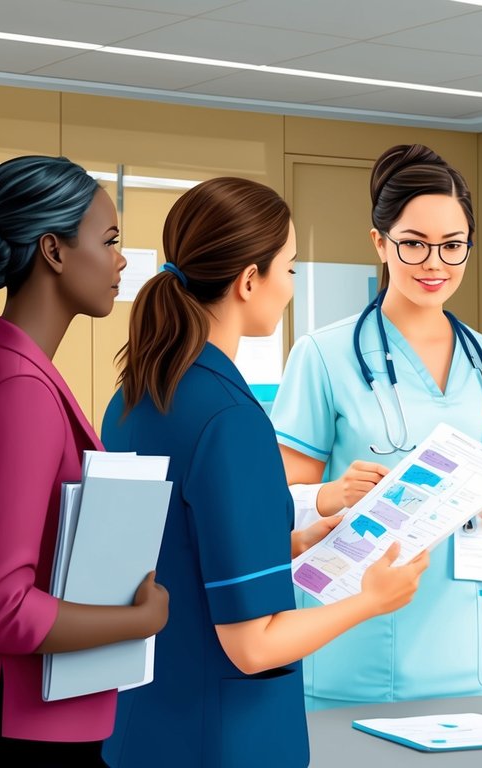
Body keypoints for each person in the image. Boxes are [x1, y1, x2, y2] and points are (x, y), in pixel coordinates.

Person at [100, 177, 428, 767]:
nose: (291, 287)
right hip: (224, 740)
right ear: (250, 280)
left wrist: (291, 544)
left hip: (142, 730)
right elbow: (252, 647)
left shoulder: (134, 398)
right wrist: (371, 600)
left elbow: (179, 551)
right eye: (290, 268)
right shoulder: (230, 418)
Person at [271, 144, 482, 709]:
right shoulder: (323, 355)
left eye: (453, 246)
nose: (435, 263)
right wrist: (335, 496)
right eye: (413, 244)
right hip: (357, 645)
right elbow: (280, 505)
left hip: (469, 641)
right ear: (380, 243)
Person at [0, 155, 166, 766]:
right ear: (53, 251)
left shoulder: (8, 374)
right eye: (108, 241)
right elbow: (2, 610)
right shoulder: (20, 392)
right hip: (22, 726)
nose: (121, 261)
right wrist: (139, 620)